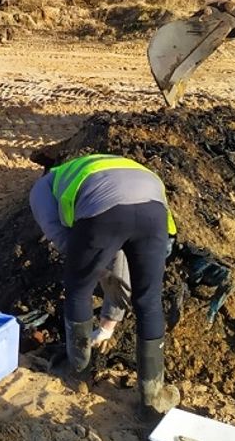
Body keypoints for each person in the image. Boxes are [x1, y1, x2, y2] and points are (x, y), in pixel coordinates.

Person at [29, 153, 180, 415]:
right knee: (149, 300)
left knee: (78, 289)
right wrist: (110, 316)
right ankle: (152, 397)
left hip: (104, 212)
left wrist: (93, 271)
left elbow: (61, 238)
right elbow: (155, 244)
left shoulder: (42, 188)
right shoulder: (105, 165)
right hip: (154, 210)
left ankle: (77, 372)